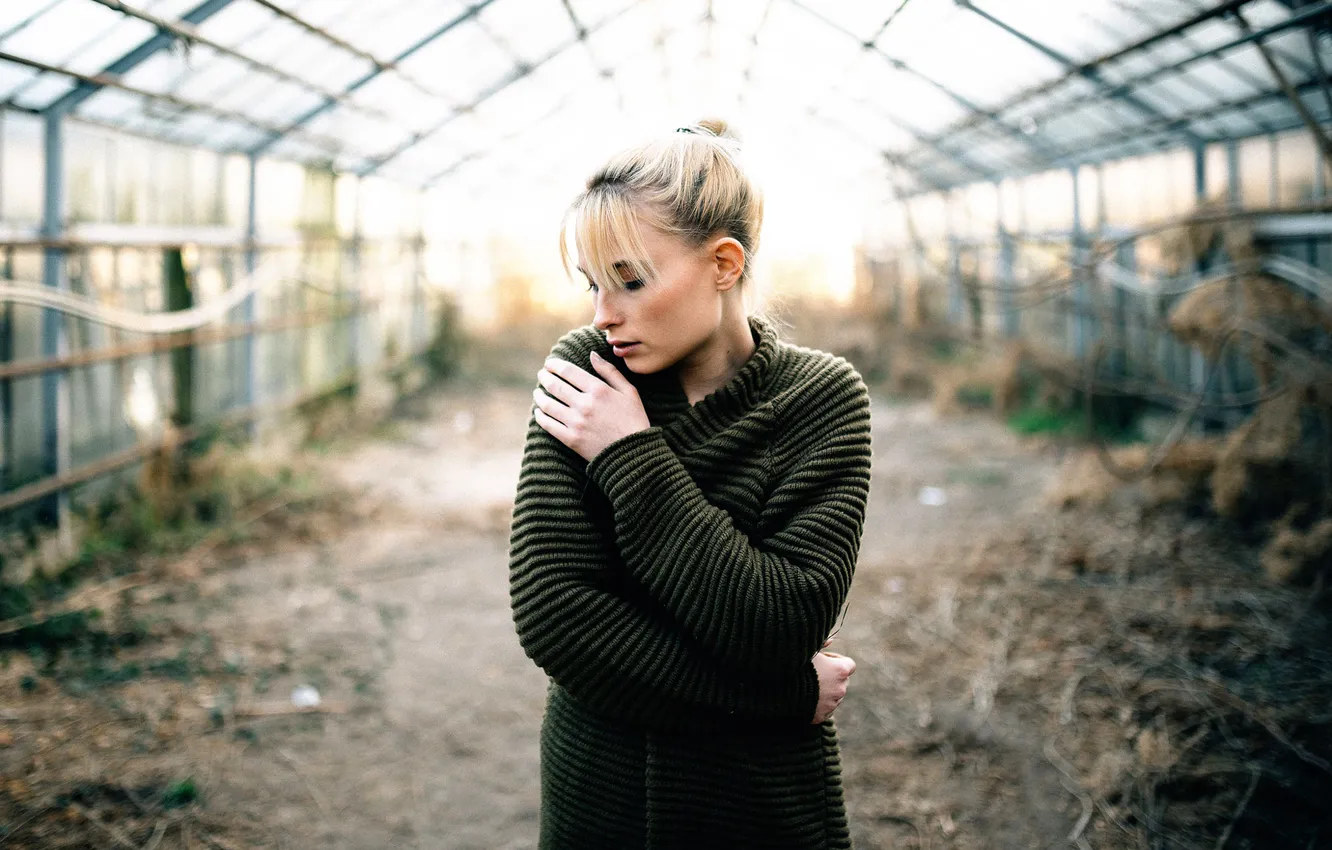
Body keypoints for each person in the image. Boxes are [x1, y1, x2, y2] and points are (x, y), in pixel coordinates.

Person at [508, 118, 873, 849]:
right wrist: (780, 697)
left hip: (755, 802)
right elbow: (555, 615)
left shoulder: (821, 400)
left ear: (724, 263)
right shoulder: (586, 370)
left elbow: (780, 619)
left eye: (631, 280)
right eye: (592, 285)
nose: (604, 314)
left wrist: (628, 453)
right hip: (603, 794)